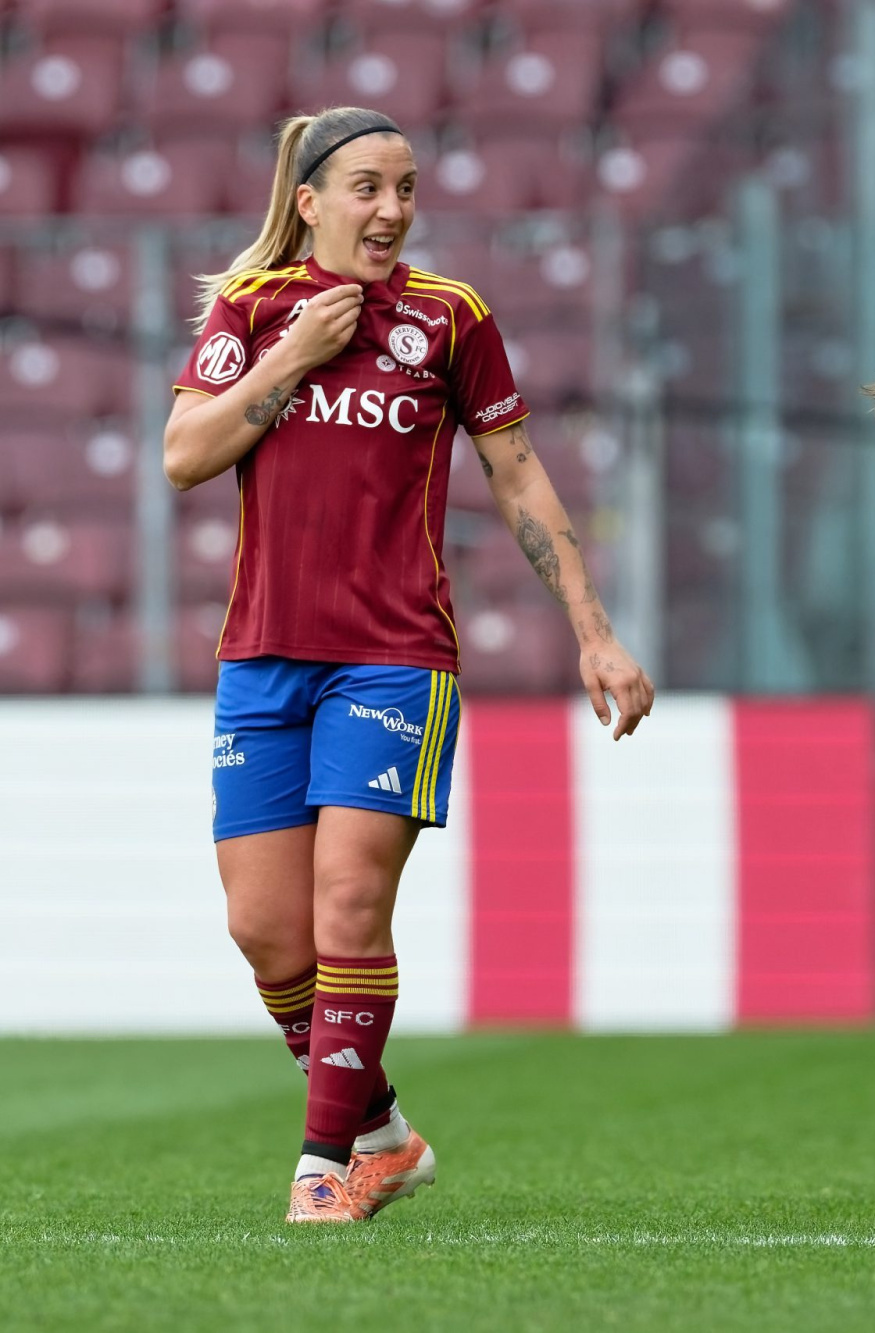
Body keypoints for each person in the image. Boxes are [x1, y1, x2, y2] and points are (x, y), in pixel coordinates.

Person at [164, 107, 653, 1224]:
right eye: (369, 188)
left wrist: (593, 628)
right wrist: (296, 354)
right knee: (265, 930)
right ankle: (383, 1128)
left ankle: (325, 1163)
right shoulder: (253, 310)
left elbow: (519, 476)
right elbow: (184, 455)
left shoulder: (448, 317)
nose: (392, 210)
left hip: (393, 658)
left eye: (407, 188)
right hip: (262, 658)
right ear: (310, 203)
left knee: (348, 903)